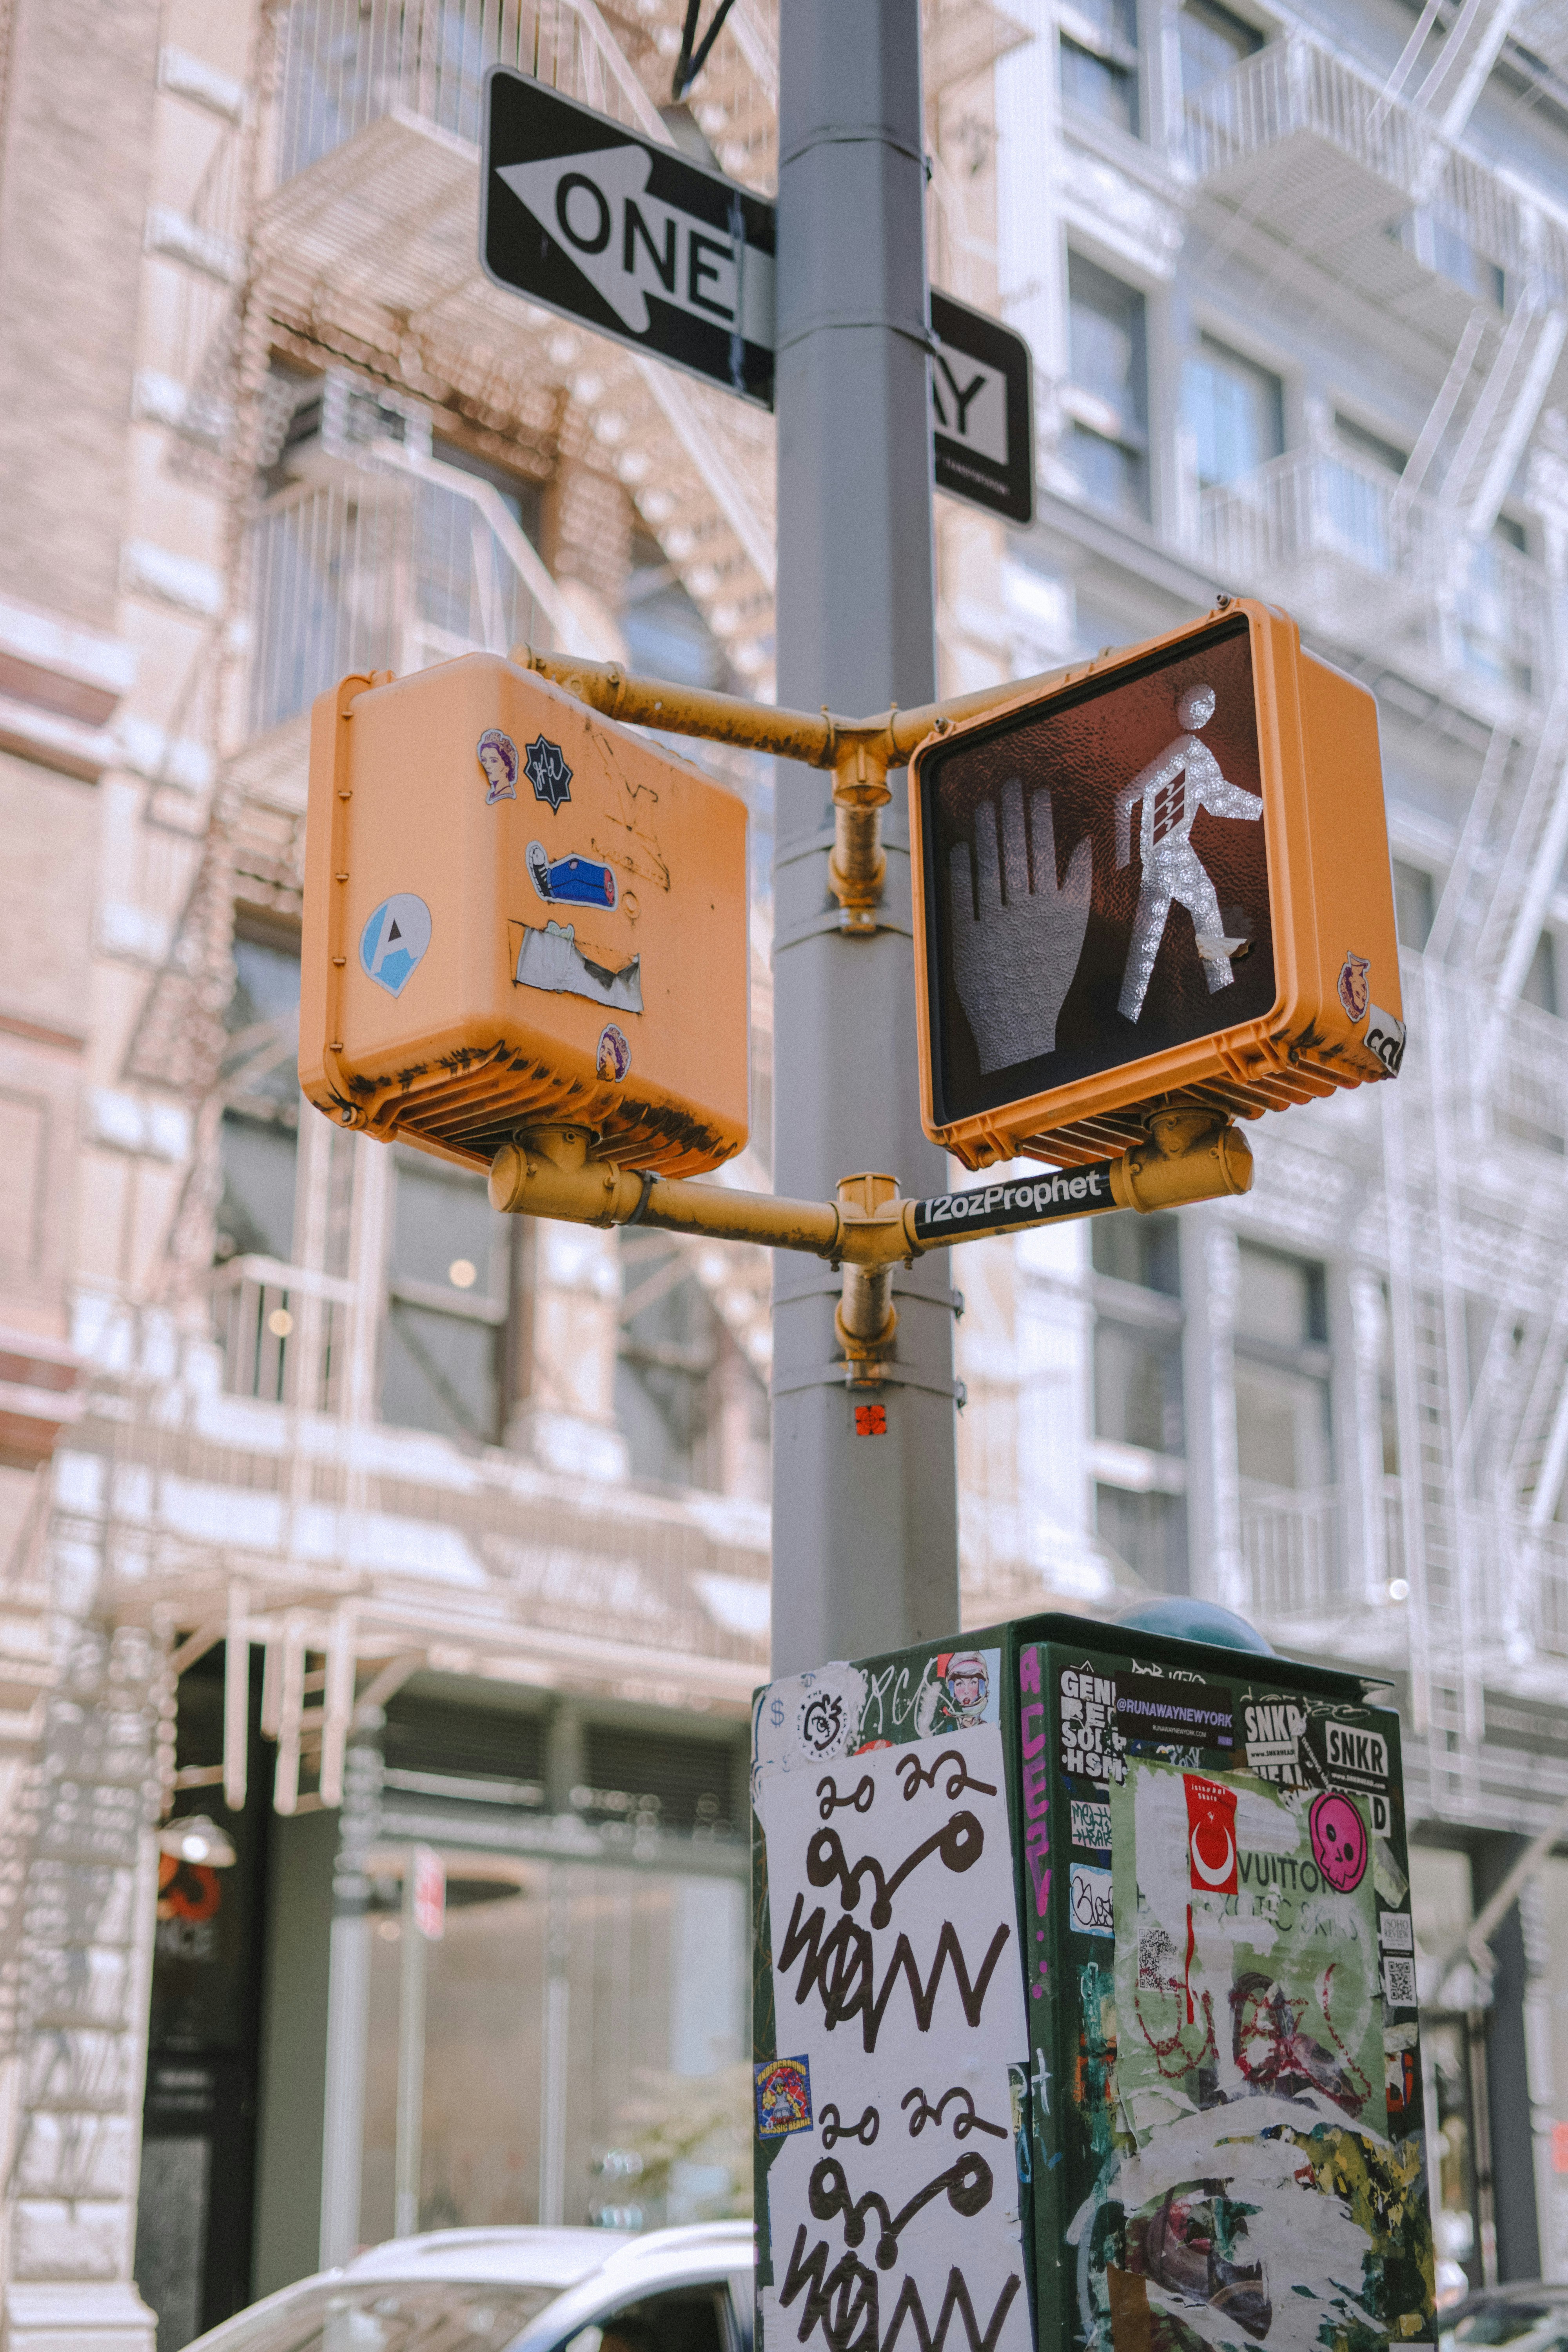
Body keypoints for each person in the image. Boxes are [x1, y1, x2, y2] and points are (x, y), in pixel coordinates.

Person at [1114, 682, 1262, 1022]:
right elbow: (1127, 798)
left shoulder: (1181, 750)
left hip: (1162, 855)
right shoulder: (1187, 750)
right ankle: (1221, 993)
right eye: (1198, 702)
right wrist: (1265, 807)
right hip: (1167, 852)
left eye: (1209, 704)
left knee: (1151, 934)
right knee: (1188, 912)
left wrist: (1129, 859)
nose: (1203, 710)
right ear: (1183, 705)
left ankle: (1128, 1012)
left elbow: (1213, 797)